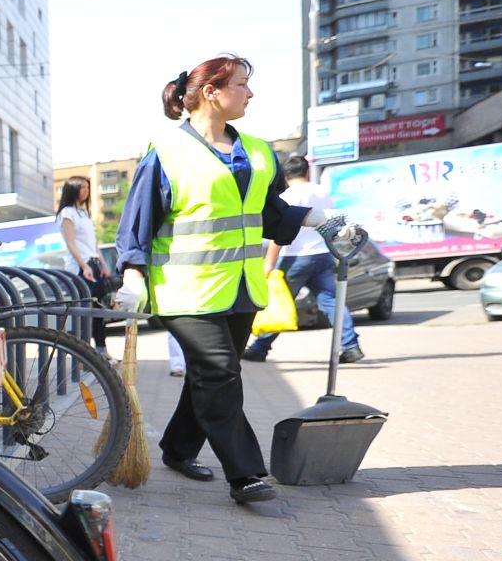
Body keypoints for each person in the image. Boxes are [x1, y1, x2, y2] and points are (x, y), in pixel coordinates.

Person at [113, 54, 358, 506]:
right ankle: (244, 474)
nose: (250, 93)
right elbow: (137, 221)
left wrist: (321, 219)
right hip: (184, 291)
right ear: (212, 92)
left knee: (211, 377)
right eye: (242, 84)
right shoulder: (165, 152)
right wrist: (131, 274)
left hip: (242, 287)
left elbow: (270, 215)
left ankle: (178, 449)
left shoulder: (259, 151)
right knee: (221, 374)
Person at [241, 155, 365, 364]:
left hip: (294, 257)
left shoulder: (288, 194)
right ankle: (351, 346)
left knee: (280, 303)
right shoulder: (321, 191)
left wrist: (269, 262)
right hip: (322, 254)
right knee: (333, 303)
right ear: (306, 172)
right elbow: (331, 221)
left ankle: (260, 348)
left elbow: (281, 230)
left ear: (285, 175)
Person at [56, 175, 111, 351]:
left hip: (92, 263)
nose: (87, 191)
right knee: (84, 312)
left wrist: (103, 263)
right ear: (73, 190)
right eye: (83, 188)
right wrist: (84, 266)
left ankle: (102, 350)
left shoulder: (84, 213)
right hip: (80, 266)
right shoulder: (67, 213)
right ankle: (83, 352)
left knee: (98, 310)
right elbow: (71, 242)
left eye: (88, 187)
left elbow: (92, 242)